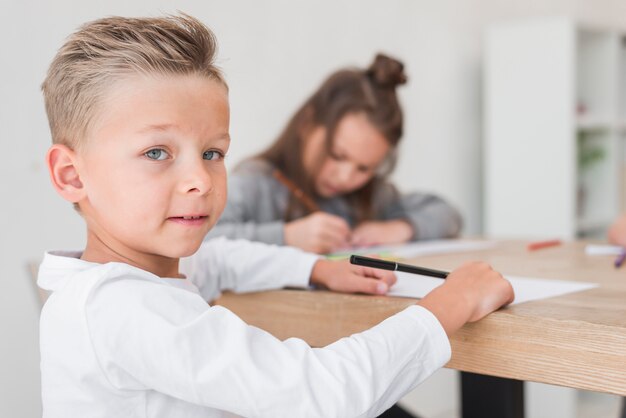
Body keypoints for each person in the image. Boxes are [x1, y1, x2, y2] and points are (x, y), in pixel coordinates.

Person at [39, 13, 514, 418]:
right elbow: (321, 393)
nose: (200, 181)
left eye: (211, 153)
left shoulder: (128, 277)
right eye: (157, 152)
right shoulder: (122, 308)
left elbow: (220, 258)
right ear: (72, 175)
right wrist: (449, 305)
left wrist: (314, 268)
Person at [207, 53, 462, 254]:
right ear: (307, 124)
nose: (345, 177)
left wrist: (400, 228)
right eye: (337, 155)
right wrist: (287, 237)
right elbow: (201, 239)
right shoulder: (256, 183)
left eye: (364, 168)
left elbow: (447, 213)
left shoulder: (369, 195)